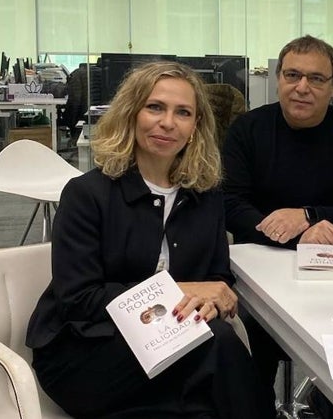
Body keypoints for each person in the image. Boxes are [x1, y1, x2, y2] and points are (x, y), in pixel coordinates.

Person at [26, 61, 275, 419]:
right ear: (131, 114)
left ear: (195, 128)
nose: (168, 122)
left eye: (183, 113)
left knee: (204, 397)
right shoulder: (87, 194)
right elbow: (79, 301)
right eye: (155, 107)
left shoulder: (206, 196)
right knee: (218, 345)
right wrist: (180, 291)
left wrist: (210, 301)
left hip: (173, 346)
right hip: (86, 352)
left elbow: (217, 278)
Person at [221, 35, 333, 416]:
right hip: (260, 266)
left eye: (316, 79)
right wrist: (299, 235)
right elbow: (229, 203)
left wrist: (309, 215)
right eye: (292, 74)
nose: (302, 87)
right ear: (278, 78)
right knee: (251, 356)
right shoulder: (247, 130)